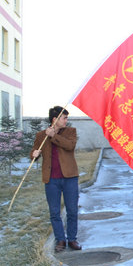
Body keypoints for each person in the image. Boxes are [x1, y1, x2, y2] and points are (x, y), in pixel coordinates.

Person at [30, 106, 82, 252]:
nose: (66, 120)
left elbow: (70, 146)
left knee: (72, 210)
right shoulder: (41, 135)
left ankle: (72, 239)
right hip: (51, 180)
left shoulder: (70, 132)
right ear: (54, 119)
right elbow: (34, 152)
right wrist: (33, 155)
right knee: (54, 212)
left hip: (70, 177)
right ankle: (60, 240)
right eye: (64, 118)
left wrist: (54, 136)